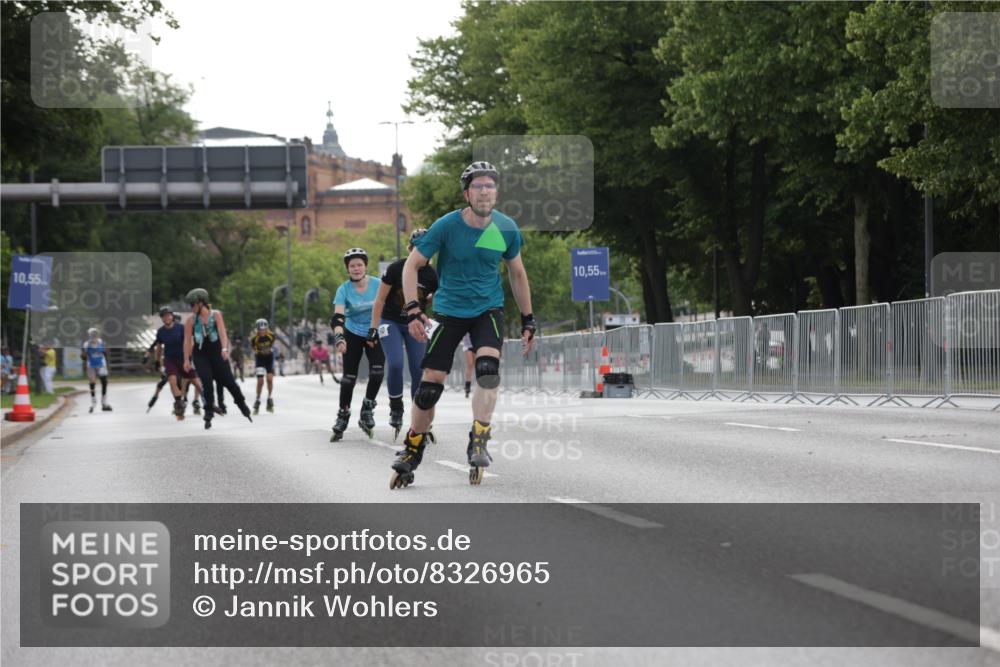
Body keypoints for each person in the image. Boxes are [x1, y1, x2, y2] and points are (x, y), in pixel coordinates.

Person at [390, 161, 536, 488]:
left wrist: (528, 318)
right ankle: (413, 448)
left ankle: (479, 437)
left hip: (487, 309)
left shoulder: (505, 228)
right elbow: (411, 266)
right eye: (478, 185)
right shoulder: (446, 226)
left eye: (490, 185)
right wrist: (412, 308)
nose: (485, 191)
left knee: (487, 370)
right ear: (467, 192)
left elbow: (517, 274)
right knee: (429, 387)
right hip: (449, 311)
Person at [368, 228, 438, 440]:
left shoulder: (431, 275)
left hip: (414, 324)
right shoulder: (397, 268)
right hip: (390, 321)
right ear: (410, 248)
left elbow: (431, 299)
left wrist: (430, 310)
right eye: (417, 248)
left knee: (419, 369)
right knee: (396, 363)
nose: (421, 252)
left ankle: (420, 419)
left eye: (426, 248)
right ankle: (396, 406)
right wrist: (373, 328)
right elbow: (379, 300)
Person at [329, 247, 385, 441]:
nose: (356, 269)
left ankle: (367, 407)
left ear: (366, 266)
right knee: (348, 379)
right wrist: (339, 338)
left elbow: (390, 308)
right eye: (352, 266)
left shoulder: (378, 284)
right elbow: (337, 318)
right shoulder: (343, 289)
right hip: (352, 332)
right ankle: (343, 414)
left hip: (374, 331)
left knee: (377, 372)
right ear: (348, 269)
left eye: (359, 265)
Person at [182, 288, 252, 429]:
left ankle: (241, 403)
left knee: (229, 382)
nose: (191, 308)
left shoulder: (216, 315)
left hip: (217, 353)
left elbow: (222, 333)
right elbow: (187, 341)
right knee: (207, 382)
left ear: (201, 302)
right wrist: (186, 360)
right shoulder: (190, 321)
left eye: (193, 304)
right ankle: (208, 411)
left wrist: (224, 349)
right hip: (200, 355)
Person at [150, 307, 204, 420]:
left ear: (172, 316)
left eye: (168, 315)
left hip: (184, 358)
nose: (166, 318)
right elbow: (159, 347)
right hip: (170, 360)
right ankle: (179, 403)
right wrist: (157, 361)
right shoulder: (161, 332)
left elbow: (190, 342)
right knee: (172, 380)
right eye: (164, 316)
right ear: (162, 318)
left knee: (196, 382)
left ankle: (207, 400)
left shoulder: (181, 328)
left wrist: (189, 357)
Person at [81, 327, 112, 413]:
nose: (93, 336)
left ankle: (104, 402)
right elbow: (83, 357)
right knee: (92, 383)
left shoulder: (101, 342)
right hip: (91, 365)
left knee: (104, 382)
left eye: (95, 334)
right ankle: (93, 401)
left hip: (101, 364)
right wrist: (84, 353)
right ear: (89, 335)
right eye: (92, 334)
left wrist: (107, 363)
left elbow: (106, 353)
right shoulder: (86, 344)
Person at [250, 318, 277, 414]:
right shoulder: (254, 339)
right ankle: (257, 399)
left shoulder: (271, 335)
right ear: (257, 329)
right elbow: (254, 348)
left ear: (267, 328)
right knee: (260, 381)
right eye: (260, 330)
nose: (262, 331)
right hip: (260, 358)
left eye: (264, 329)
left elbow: (272, 344)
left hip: (269, 358)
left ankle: (269, 398)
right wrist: (260, 351)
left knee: (270, 379)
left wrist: (267, 350)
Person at [461, 333, 474, 398]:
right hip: (467, 345)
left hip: (477, 344)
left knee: (476, 364)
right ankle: (467, 386)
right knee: (470, 364)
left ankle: (480, 384)